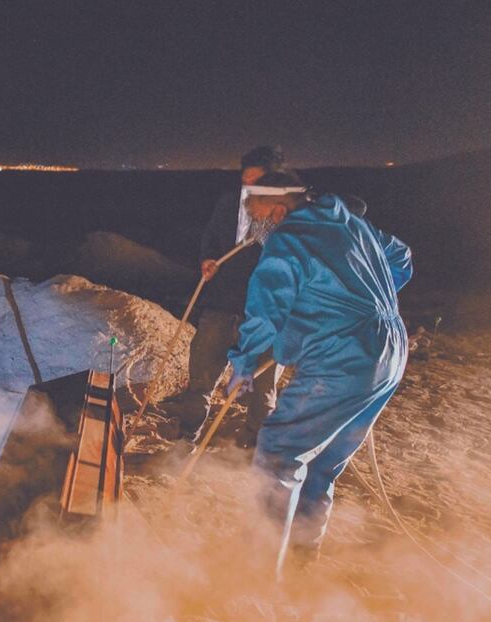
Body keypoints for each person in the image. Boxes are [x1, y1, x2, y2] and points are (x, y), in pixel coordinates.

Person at [226, 170, 411, 572]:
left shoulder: (288, 238)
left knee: (280, 452)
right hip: (391, 352)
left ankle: (255, 576)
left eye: (256, 213)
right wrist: (364, 301)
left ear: (278, 209)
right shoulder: (353, 224)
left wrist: (242, 365)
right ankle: (300, 563)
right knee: (322, 462)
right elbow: (401, 257)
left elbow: (265, 311)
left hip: (342, 356)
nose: (255, 224)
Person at [162, 146, 285, 446]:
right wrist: (208, 258)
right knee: (201, 377)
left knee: (263, 387)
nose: (249, 187)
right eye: (246, 180)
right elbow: (211, 238)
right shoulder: (230, 203)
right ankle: (187, 436)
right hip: (221, 305)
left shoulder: (289, 215)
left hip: (267, 315)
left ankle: (254, 445)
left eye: (257, 181)